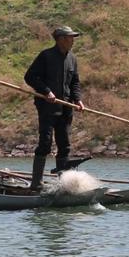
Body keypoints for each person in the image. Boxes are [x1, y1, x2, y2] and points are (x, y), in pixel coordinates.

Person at [24, 26, 85, 191]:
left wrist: (78, 100)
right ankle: (36, 183)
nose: (72, 41)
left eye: (73, 37)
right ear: (60, 39)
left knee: (64, 144)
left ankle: (63, 185)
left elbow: (75, 82)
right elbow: (29, 77)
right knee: (45, 142)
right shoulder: (46, 56)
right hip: (47, 106)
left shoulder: (72, 59)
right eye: (69, 37)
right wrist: (46, 91)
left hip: (66, 107)